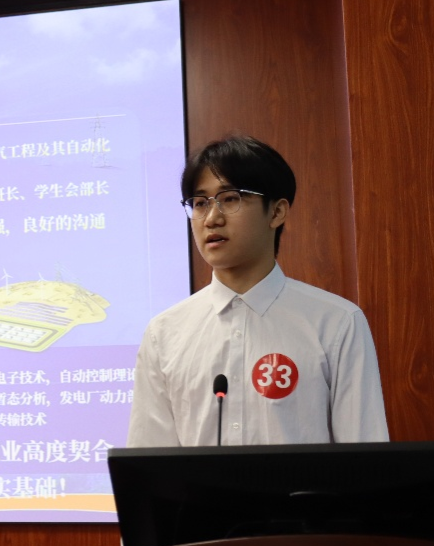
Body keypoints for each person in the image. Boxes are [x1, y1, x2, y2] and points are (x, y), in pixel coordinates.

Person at [127, 135, 388, 446]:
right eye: (200, 203)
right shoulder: (165, 333)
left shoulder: (336, 323)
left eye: (230, 199)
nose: (212, 219)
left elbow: (363, 454)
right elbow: (150, 462)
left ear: (276, 212)